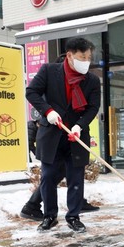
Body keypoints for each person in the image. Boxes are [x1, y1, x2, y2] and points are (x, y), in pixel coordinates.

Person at [26, 37, 100, 233]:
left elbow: (93, 107)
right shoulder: (49, 71)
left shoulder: (92, 80)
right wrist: (48, 111)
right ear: (69, 55)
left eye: (88, 57)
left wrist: (79, 126)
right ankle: (49, 216)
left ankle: (73, 216)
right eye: (82, 57)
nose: (86, 61)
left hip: (75, 136)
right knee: (49, 177)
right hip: (51, 134)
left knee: (76, 178)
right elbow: (31, 92)